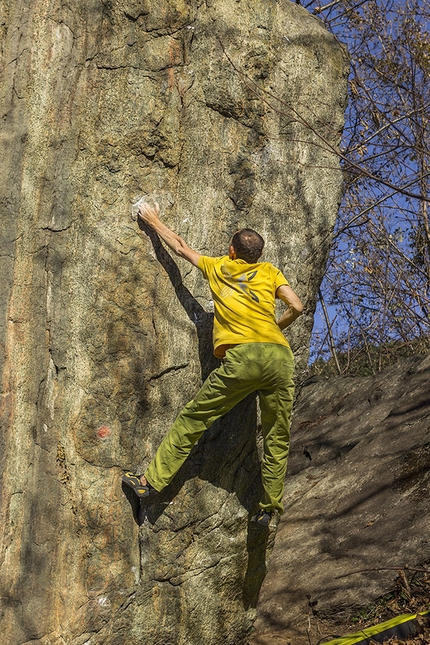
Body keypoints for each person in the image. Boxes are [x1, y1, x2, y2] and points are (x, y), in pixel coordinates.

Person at [123, 201, 303, 525]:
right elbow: (296, 305)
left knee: (194, 418)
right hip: (279, 357)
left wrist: (152, 219)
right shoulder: (269, 271)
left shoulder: (220, 267)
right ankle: (269, 511)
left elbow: (179, 249)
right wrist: (276, 326)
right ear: (257, 256)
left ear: (232, 251)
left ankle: (148, 485)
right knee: (278, 435)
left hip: (245, 357)